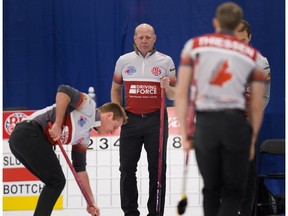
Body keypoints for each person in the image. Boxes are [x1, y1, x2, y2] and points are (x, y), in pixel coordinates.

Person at [175, 2, 266, 216]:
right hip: (235, 123)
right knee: (234, 190)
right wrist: (252, 139)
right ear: (237, 26)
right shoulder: (253, 56)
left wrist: (184, 132)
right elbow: (256, 103)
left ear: (215, 22)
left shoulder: (194, 45)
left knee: (211, 188)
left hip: (206, 124)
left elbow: (181, 92)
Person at [9, 84, 127, 216]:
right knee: (57, 181)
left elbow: (80, 168)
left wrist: (91, 202)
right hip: (28, 132)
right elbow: (63, 91)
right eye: (115, 126)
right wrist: (58, 124)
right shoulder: (88, 106)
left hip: (21, 141)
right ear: (109, 115)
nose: (112, 132)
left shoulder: (84, 137)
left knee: (54, 181)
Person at [111, 23, 177, 216]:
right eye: (140, 37)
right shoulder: (124, 60)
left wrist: (168, 86)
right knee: (127, 169)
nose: (144, 41)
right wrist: (118, 113)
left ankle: (155, 212)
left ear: (154, 39)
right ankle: (130, 212)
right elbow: (115, 88)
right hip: (130, 121)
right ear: (134, 39)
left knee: (157, 170)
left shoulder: (166, 61)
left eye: (148, 37)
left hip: (156, 121)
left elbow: (174, 94)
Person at [235, 19, 271, 216]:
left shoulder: (261, 62)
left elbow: (264, 96)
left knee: (247, 173)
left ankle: (246, 212)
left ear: (250, 38)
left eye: (243, 40)